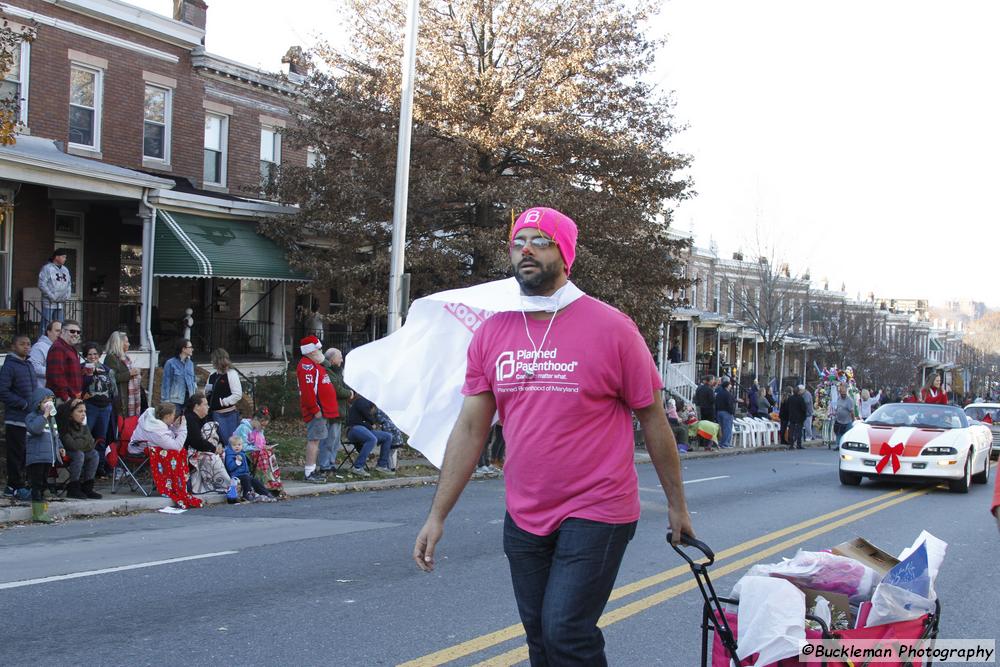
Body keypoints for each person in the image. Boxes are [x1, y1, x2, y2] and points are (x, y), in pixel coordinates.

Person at [412, 206, 694, 666]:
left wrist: (677, 506)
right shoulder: (492, 331)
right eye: (518, 241)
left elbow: (654, 420)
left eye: (540, 240)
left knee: (566, 631)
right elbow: (470, 429)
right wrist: (437, 515)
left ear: (565, 254)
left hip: (597, 509)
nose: (525, 248)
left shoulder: (613, 328)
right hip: (524, 514)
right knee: (540, 640)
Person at [130, 402, 203, 509]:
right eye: (173, 415)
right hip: (139, 451)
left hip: (142, 446)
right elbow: (176, 445)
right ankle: (173, 486)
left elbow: (169, 435)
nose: (175, 418)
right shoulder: (157, 430)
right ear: (167, 416)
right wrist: (183, 427)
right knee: (176, 453)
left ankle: (178, 484)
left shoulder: (155, 421)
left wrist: (176, 427)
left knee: (177, 452)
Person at [0, 335, 35, 500]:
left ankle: (22, 484)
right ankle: (14, 486)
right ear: (14, 346)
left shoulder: (28, 364)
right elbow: (3, 391)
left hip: (29, 418)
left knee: (26, 453)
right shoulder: (9, 366)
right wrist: (22, 404)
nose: (26, 347)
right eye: (22, 344)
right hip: (16, 417)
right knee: (16, 454)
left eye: (28, 344)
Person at [295, 335, 333, 483]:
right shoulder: (306, 366)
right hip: (315, 411)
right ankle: (309, 472)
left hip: (320, 409)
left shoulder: (314, 364)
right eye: (318, 348)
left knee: (317, 440)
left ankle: (312, 469)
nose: (320, 351)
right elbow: (308, 390)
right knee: (314, 440)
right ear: (311, 351)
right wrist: (315, 408)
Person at [183, 393, 231, 495]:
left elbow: (216, 432)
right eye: (205, 404)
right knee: (212, 457)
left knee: (225, 453)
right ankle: (227, 485)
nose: (208, 407)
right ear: (197, 406)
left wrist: (220, 444)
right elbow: (196, 442)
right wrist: (213, 449)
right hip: (188, 453)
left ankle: (219, 483)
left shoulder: (204, 418)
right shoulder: (189, 418)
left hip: (202, 449)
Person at [25, 388, 61, 523]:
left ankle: (42, 511)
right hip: (36, 457)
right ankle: (38, 514)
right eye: (46, 401)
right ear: (37, 403)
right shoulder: (32, 417)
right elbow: (35, 429)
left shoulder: (52, 419)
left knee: (43, 484)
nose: (49, 403)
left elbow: (55, 436)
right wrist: (44, 416)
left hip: (47, 458)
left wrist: (60, 448)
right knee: (37, 484)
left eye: (51, 401)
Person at [56, 398, 102, 499]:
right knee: (79, 454)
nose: (83, 414)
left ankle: (87, 487)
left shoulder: (83, 425)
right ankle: (73, 487)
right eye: (80, 411)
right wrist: (84, 441)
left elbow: (91, 443)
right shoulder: (64, 426)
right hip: (65, 452)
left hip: (80, 451)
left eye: (85, 411)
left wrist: (82, 441)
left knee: (94, 454)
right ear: (71, 413)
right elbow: (72, 445)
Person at [233, 407, 284, 495]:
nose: (263, 427)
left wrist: (265, 446)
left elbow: (261, 443)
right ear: (256, 419)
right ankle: (263, 483)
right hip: (241, 452)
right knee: (263, 454)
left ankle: (273, 481)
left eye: (265, 426)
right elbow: (243, 446)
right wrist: (259, 448)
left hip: (253, 451)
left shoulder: (259, 429)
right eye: (262, 424)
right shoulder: (244, 428)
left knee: (269, 453)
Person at [318, 347, 353, 473]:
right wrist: (349, 393)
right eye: (340, 357)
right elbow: (337, 390)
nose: (342, 360)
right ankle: (324, 465)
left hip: (339, 411)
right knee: (329, 440)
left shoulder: (338, 371)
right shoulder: (327, 371)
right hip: (331, 412)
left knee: (335, 441)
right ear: (332, 359)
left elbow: (343, 385)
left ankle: (331, 463)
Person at [81, 342, 117, 456]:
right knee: (85, 437)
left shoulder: (107, 370)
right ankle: (84, 467)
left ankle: (100, 467)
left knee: (101, 438)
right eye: (90, 354)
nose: (92, 357)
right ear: (86, 355)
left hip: (105, 408)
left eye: (95, 354)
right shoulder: (81, 369)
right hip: (88, 407)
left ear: (99, 354)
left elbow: (114, 390)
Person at [346, 395, 395, 476]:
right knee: (372, 439)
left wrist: (371, 423)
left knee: (388, 436)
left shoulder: (369, 404)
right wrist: (372, 422)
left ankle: (381, 465)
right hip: (353, 429)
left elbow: (369, 423)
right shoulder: (361, 400)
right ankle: (357, 467)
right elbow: (368, 417)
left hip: (365, 431)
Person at [205, 348, 243, 445]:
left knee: (230, 442)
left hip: (228, 415)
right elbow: (208, 392)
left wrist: (223, 402)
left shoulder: (231, 374)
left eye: (213, 359)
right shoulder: (212, 376)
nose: (211, 362)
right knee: (217, 442)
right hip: (214, 414)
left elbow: (237, 394)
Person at [225, 434, 275, 502]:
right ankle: (247, 494)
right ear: (230, 446)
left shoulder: (242, 453)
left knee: (255, 480)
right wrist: (237, 462)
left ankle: (266, 493)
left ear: (242, 446)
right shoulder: (230, 455)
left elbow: (245, 466)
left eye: (239, 445)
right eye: (234, 445)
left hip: (244, 474)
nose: (237, 447)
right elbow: (230, 467)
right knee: (246, 478)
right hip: (235, 476)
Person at [104, 331, 143, 418]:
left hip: (127, 395)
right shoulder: (111, 358)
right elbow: (111, 378)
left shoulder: (125, 357)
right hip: (119, 397)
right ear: (119, 343)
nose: (128, 344)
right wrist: (129, 373)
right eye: (126, 341)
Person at [45, 319, 83, 402]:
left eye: (78, 332)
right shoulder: (58, 348)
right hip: (62, 399)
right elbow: (56, 376)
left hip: (72, 397)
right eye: (72, 331)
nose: (76, 334)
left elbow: (71, 372)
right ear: (62, 332)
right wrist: (66, 398)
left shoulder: (70, 348)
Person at [38, 248, 71, 335]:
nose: (65, 259)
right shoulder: (47, 268)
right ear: (57, 257)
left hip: (60, 303)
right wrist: (51, 296)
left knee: (60, 324)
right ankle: (43, 341)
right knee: (46, 324)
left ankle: (58, 342)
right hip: (48, 302)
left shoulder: (65, 269)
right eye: (63, 257)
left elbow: (69, 284)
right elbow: (42, 284)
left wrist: (67, 296)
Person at [161, 339, 197, 414]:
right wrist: (166, 401)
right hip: (175, 400)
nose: (192, 349)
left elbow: (193, 381)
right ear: (183, 349)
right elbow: (166, 384)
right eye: (190, 347)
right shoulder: (170, 363)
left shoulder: (190, 364)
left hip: (189, 401)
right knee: (174, 423)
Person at [29, 320, 61, 389]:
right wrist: (56, 372)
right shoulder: (39, 346)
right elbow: (33, 367)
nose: (60, 333)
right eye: (57, 331)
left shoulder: (59, 347)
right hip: (44, 393)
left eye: (61, 332)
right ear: (48, 332)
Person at [714, 377, 736, 448]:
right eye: (730, 385)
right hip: (727, 413)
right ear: (727, 386)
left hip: (719, 412)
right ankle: (725, 443)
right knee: (727, 428)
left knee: (722, 429)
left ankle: (722, 443)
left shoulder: (719, 393)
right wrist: (732, 412)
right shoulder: (727, 394)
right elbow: (729, 404)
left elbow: (716, 403)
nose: (731, 386)